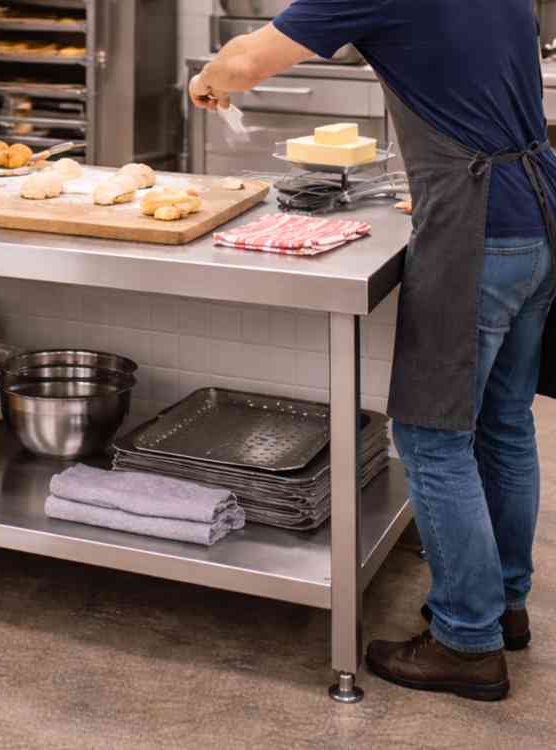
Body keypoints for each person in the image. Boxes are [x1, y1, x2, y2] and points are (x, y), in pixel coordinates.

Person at [191, 0, 556, 701]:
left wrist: (211, 77)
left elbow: (246, 61)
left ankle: (467, 643)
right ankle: (502, 605)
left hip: (478, 229)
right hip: (533, 210)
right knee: (506, 424)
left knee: (431, 434)